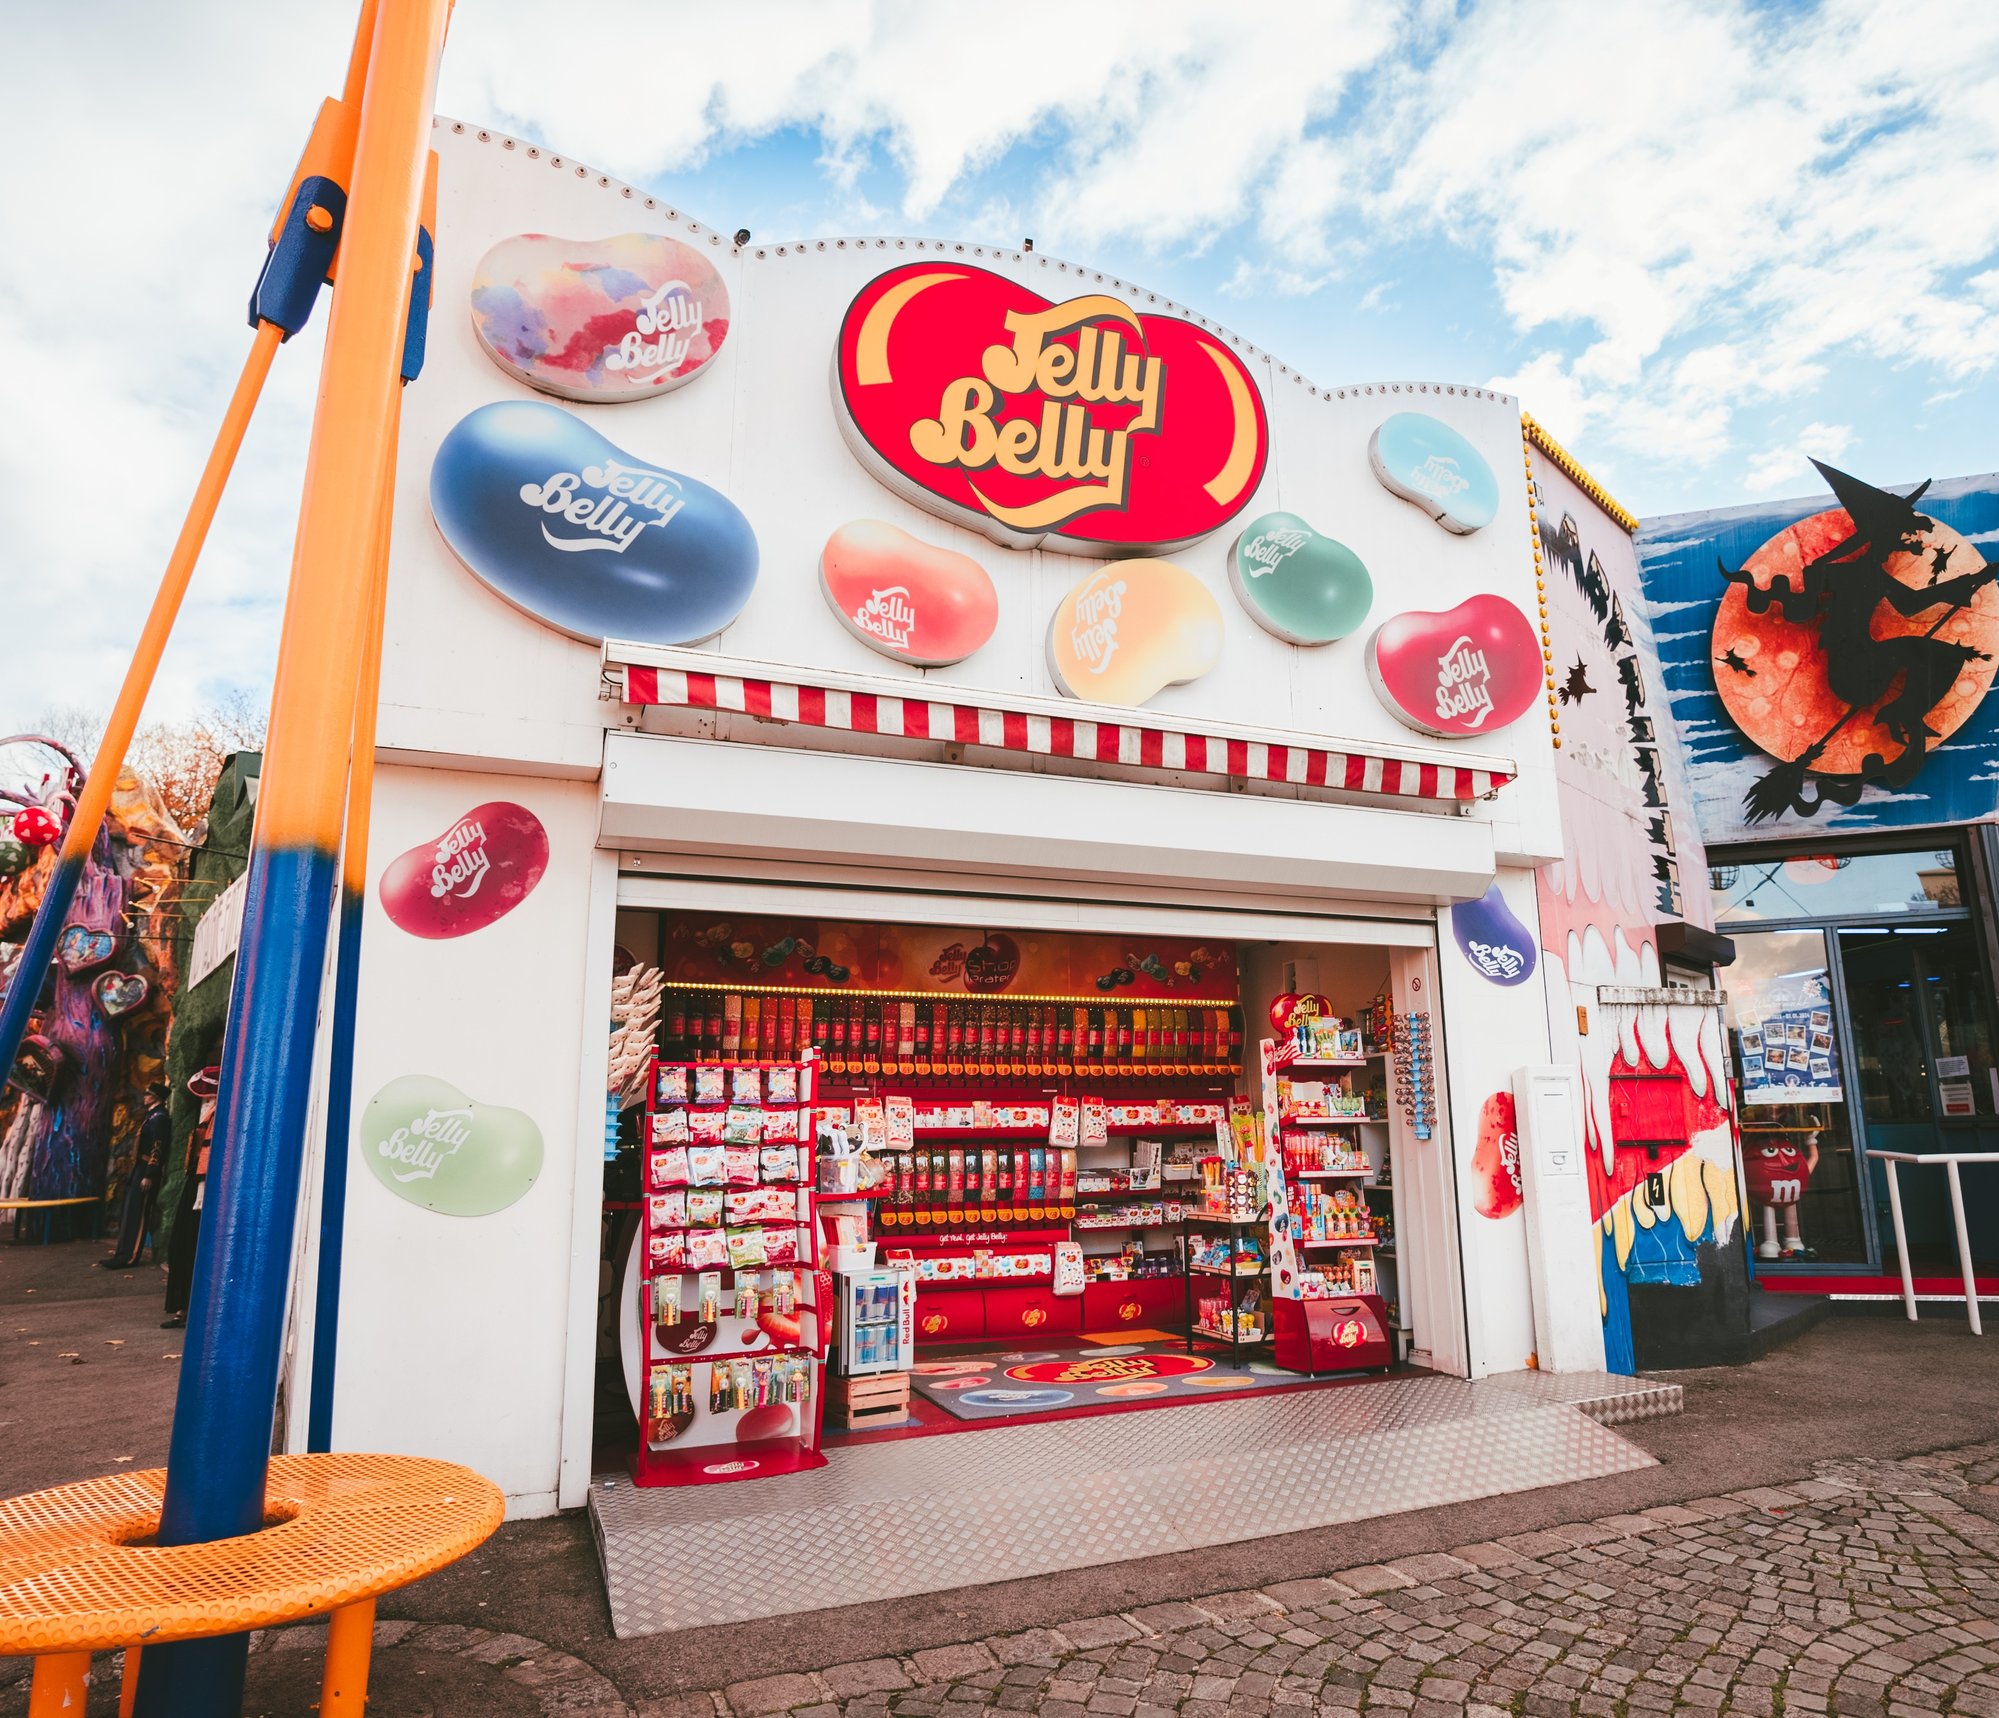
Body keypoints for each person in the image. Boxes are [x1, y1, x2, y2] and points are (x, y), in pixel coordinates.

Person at [161, 1091, 216, 1329]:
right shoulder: (207, 1117)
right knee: (182, 1246)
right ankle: (182, 1307)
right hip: (194, 1185)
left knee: (192, 1247)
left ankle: (188, 1308)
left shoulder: (216, 1117)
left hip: (204, 1188)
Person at [101, 1082, 169, 1269]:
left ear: (156, 1097)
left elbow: (157, 1148)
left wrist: (150, 1173)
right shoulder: (151, 1116)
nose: (145, 1097)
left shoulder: (161, 1118)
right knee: (130, 1211)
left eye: (148, 1094)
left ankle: (130, 1256)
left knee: (138, 1214)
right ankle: (121, 1253)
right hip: (138, 1166)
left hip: (146, 1168)